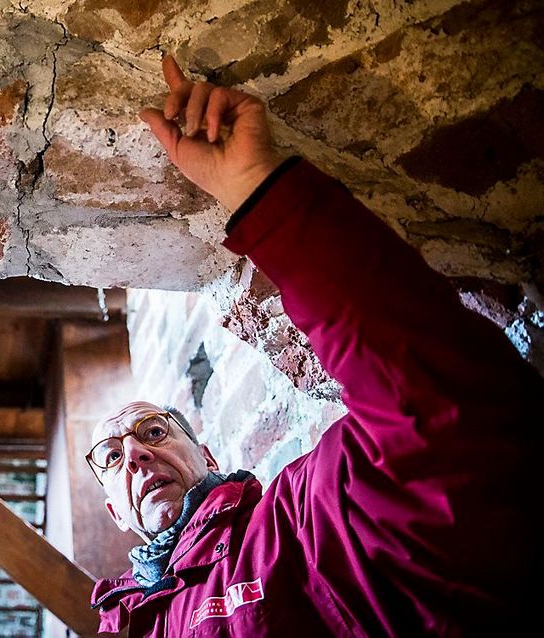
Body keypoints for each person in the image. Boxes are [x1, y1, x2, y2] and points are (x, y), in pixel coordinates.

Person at [88, 56, 543, 637]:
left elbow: (448, 416)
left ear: (207, 455)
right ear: (114, 513)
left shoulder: (296, 525)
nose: (137, 455)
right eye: (111, 457)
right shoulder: (123, 625)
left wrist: (260, 191)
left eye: (154, 431)